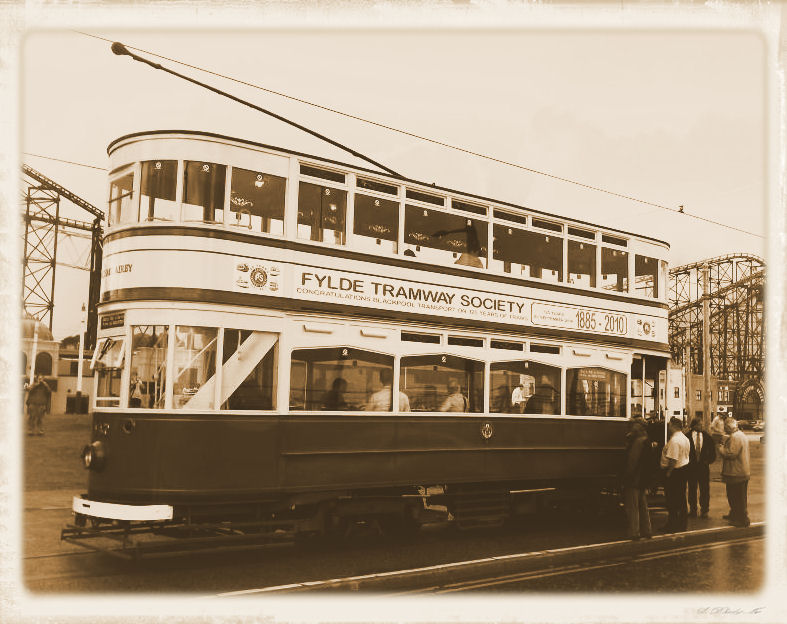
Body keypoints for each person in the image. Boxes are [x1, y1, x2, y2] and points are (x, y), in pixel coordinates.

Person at [622, 418, 653, 540]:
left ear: (638, 427)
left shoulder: (638, 441)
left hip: (635, 479)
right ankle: (647, 530)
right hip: (643, 479)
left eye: (634, 425)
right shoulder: (646, 440)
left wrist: (627, 477)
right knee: (643, 506)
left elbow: (632, 462)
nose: (631, 427)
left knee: (633, 507)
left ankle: (634, 532)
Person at [659, 416, 690, 533]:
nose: (668, 427)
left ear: (673, 426)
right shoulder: (684, 438)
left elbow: (673, 459)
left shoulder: (674, 441)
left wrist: (668, 473)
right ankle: (682, 524)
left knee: (672, 500)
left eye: (669, 425)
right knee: (681, 499)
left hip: (675, 472)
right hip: (683, 470)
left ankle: (673, 525)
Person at [718, 418, 751, 527]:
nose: (724, 430)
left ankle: (741, 519)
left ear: (729, 427)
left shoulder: (735, 437)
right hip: (741, 471)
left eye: (725, 427)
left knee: (735, 497)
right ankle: (735, 514)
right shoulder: (740, 435)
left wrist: (721, 448)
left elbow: (731, 454)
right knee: (739, 496)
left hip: (736, 472)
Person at [687, 417, 716, 518]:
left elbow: (713, 451)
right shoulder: (687, 436)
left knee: (704, 489)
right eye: (699, 425)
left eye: (702, 425)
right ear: (694, 425)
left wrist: (708, 461)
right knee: (692, 489)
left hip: (703, 467)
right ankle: (693, 509)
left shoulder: (707, 436)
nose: (701, 426)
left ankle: (704, 509)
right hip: (691, 467)